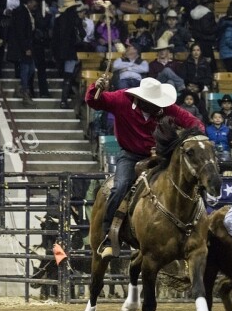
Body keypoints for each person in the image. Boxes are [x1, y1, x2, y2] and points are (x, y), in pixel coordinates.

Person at [85, 77, 205, 256]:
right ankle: (108, 235)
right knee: (120, 187)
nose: (158, 107)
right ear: (142, 100)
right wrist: (96, 87)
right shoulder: (121, 100)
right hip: (130, 155)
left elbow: (193, 122)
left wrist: (194, 136)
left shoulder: (166, 109)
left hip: (161, 156)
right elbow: (94, 101)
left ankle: (194, 226)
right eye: (154, 103)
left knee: (186, 180)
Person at [51, 0, 86, 109]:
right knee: (68, 77)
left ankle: (65, 98)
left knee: (66, 76)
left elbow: (54, 38)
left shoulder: (58, 20)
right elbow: (82, 34)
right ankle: (64, 100)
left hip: (59, 53)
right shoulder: (76, 19)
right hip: (71, 52)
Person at [7, 0, 40, 107]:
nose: (35, 7)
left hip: (25, 46)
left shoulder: (25, 12)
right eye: (34, 4)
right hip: (22, 47)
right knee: (26, 69)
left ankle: (22, 88)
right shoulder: (22, 12)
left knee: (30, 69)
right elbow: (21, 32)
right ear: (29, 3)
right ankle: (25, 93)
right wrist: (26, 47)